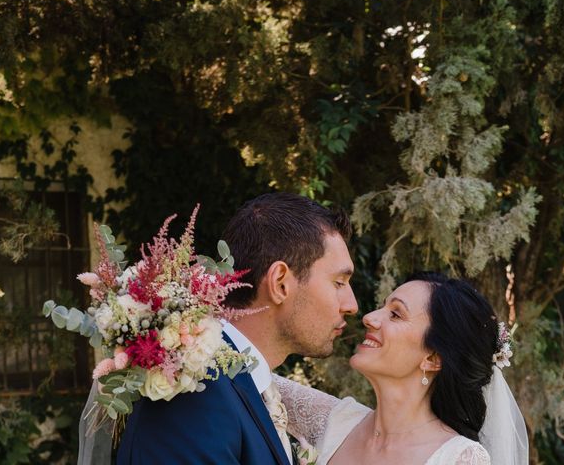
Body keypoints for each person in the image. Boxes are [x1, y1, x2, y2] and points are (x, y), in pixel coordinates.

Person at [114, 193, 359, 464]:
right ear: (280, 283)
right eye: (339, 282)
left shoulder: (237, 383)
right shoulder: (197, 394)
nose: (352, 305)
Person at [275, 271, 529, 464]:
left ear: (433, 358)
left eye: (395, 314)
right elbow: (246, 366)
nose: (369, 318)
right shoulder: (336, 420)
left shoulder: (459, 458)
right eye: (383, 307)